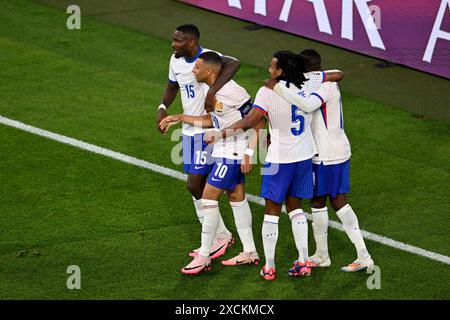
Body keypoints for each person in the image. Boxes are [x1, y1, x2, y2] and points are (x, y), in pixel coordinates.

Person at [205, 51, 328, 281]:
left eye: (272, 66)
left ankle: (269, 266)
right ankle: (303, 262)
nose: (268, 69)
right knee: (296, 209)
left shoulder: (267, 92)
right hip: (303, 158)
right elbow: (336, 74)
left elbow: (250, 121)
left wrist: (220, 134)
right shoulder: (309, 84)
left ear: (281, 71)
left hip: (280, 160)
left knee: (271, 213)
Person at [265, 49, 374, 272]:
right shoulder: (315, 80)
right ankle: (322, 255)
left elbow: (308, 105)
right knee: (317, 201)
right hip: (323, 152)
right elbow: (337, 73)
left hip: (328, 154)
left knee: (338, 202)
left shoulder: (324, 85)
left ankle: (364, 255)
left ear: (308, 69)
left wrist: (276, 88)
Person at [160, 51, 264, 275]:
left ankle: (204, 256)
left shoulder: (233, 91)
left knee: (208, 198)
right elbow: (213, 120)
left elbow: (258, 120)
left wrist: (249, 153)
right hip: (223, 149)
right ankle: (250, 251)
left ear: (211, 71)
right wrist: (179, 117)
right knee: (236, 197)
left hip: (234, 152)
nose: (193, 70)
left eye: (197, 67)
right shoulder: (211, 90)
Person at [157, 24, 240, 259]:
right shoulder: (175, 61)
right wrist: (163, 107)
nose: (173, 44)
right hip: (188, 131)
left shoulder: (208, 58)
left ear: (191, 42)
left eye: (178, 41)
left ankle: (221, 236)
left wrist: (213, 91)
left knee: (195, 185)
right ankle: (220, 235)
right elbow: (173, 86)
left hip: (208, 129)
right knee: (202, 186)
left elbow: (234, 62)